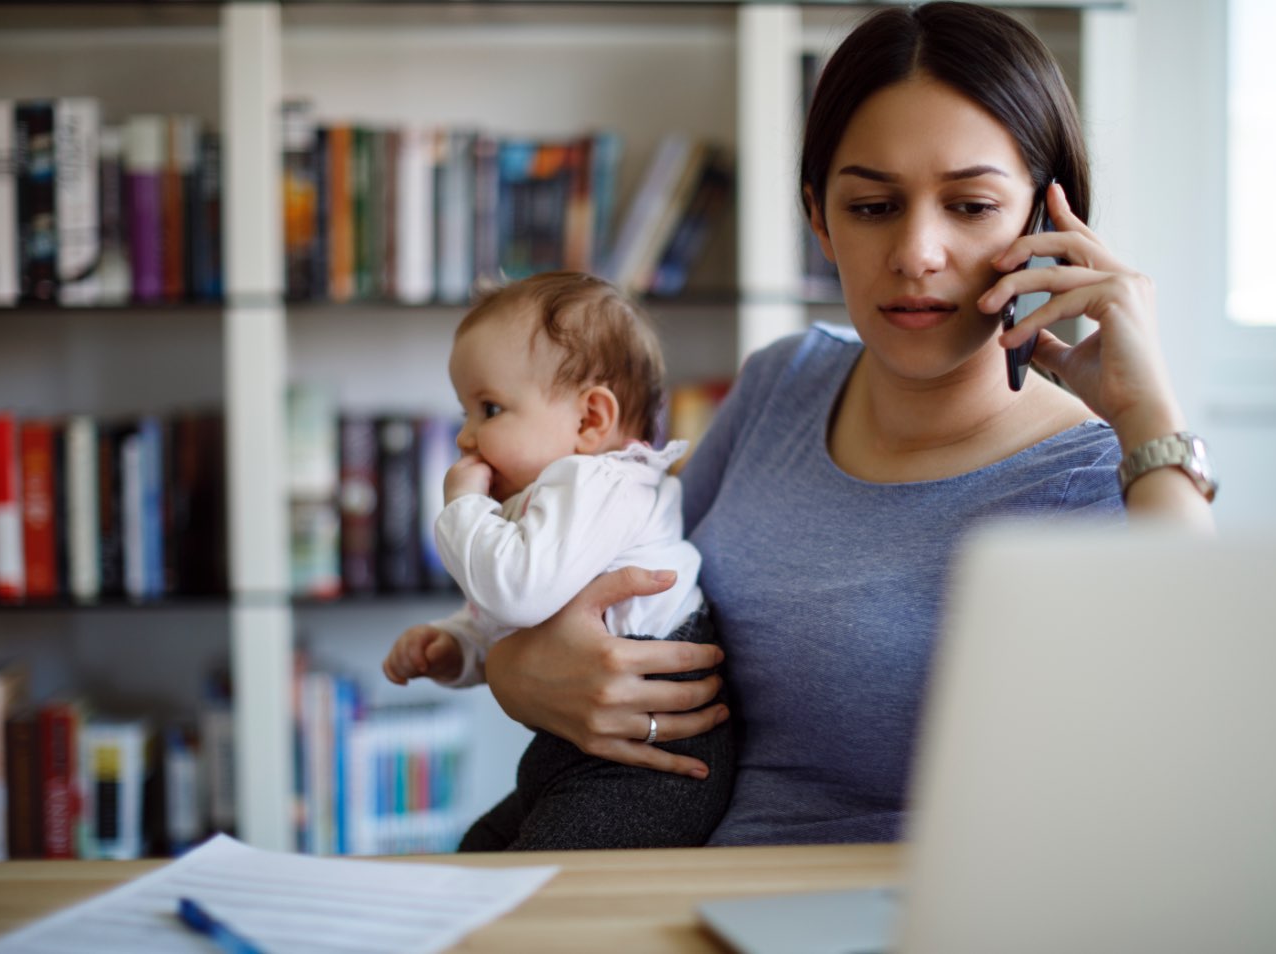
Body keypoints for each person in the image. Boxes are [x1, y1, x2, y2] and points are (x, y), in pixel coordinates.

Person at [442, 2, 1217, 847]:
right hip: (682, 893)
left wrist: (1150, 419)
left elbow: (1199, 746)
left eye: (970, 206)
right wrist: (516, 671)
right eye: (874, 207)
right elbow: (616, 580)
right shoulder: (785, 381)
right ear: (820, 217)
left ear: (1043, 220)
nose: (918, 252)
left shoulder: (1111, 471)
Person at [381, 270, 734, 850]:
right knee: (479, 851)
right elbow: (526, 617)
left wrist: (463, 505)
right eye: (466, 412)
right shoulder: (559, 495)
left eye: (489, 409)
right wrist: (460, 645)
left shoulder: (599, 482)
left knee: (540, 888)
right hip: (581, 749)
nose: (466, 437)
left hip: (647, 767)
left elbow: (518, 591)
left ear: (590, 420)